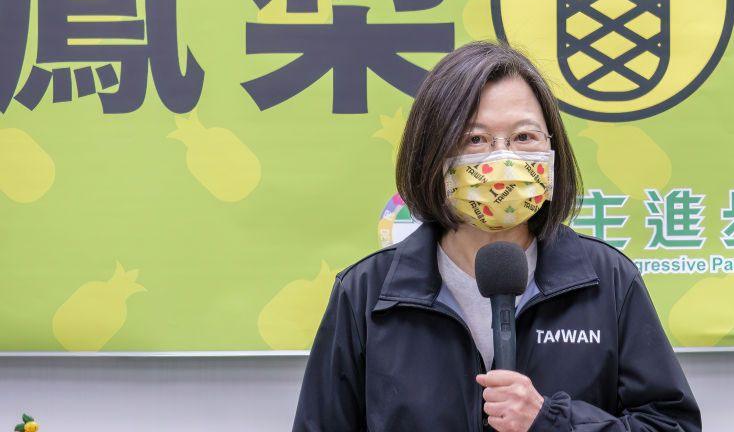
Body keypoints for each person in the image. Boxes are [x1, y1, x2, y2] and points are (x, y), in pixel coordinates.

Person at [292, 41, 701, 431]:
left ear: (551, 150)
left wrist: (552, 421)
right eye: (475, 139)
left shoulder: (607, 281)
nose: (502, 159)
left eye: (524, 137)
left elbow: (671, 424)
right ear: (431, 156)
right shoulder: (367, 294)